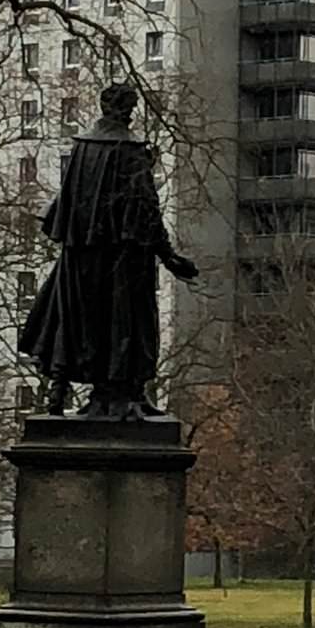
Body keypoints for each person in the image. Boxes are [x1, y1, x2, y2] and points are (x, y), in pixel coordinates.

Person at [19, 84, 198, 419]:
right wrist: (169, 257)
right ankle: (128, 395)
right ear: (129, 110)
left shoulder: (83, 148)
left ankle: (59, 396)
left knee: (75, 323)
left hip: (81, 255)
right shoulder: (130, 151)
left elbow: (65, 202)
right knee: (126, 325)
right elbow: (146, 209)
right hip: (124, 259)